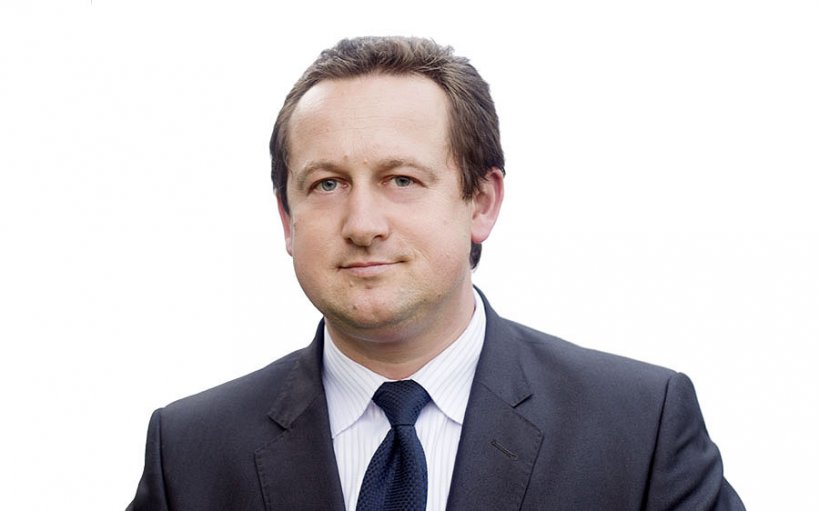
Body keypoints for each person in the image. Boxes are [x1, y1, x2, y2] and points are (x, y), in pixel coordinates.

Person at [127, 36, 744, 510]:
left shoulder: (640, 429)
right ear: (287, 219)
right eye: (327, 184)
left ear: (482, 202)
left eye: (401, 180)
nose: (363, 223)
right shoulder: (189, 453)